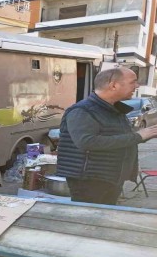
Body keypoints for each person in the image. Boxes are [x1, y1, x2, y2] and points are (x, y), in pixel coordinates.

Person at [57, 67, 157, 205]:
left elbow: (120, 139)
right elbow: (87, 142)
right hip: (90, 181)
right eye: (133, 82)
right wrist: (138, 136)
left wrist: (148, 134)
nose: (137, 86)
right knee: (89, 222)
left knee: (101, 220)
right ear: (113, 85)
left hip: (110, 178)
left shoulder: (113, 110)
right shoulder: (82, 110)